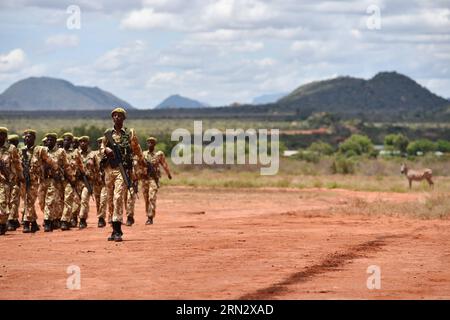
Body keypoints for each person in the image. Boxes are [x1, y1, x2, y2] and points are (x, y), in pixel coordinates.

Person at [100, 107, 144, 242]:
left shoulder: (129, 134)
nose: (117, 118)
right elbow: (101, 149)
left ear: (124, 119)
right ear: (112, 118)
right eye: (115, 116)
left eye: (120, 116)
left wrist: (142, 163)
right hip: (109, 170)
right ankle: (113, 229)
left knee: (118, 196)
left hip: (122, 169)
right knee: (110, 199)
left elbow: (137, 149)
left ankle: (118, 229)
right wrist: (105, 149)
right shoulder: (107, 134)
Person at [20, 129, 58, 233]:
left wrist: (55, 171)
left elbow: (50, 161)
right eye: (26, 137)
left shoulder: (39, 150)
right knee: (30, 202)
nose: (27, 139)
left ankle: (34, 222)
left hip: (38, 181)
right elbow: (19, 166)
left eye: (30, 137)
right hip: (26, 181)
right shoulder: (22, 151)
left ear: (34, 138)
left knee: (36, 201)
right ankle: (34, 223)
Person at [142, 137, 172, 225]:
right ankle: (148, 214)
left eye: (152, 142)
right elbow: (138, 165)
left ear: (155, 144)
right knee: (146, 199)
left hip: (153, 179)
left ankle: (150, 217)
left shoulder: (159, 155)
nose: (150, 144)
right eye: (148, 142)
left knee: (152, 197)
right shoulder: (143, 154)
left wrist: (168, 174)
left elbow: (164, 164)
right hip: (144, 179)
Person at [0, 128, 23, 235]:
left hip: (6, 181)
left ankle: (3, 224)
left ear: (5, 137)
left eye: (1, 135)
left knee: (3, 203)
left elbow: (17, 164)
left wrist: (20, 178)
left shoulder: (11, 148)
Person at [60, 132, 85, 231]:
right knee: (58, 201)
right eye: (65, 140)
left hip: (71, 180)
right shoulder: (59, 152)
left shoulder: (75, 152)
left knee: (68, 200)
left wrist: (82, 174)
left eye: (68, 140)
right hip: (59, 180)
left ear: (71, 142)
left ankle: (65, 221)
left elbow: (80, 165)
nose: (66, 142)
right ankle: (57, 219)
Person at [78, 136, 96, 229]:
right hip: (77, 181)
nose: (82, 144)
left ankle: (82, 219)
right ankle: (73, 218)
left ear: (88, 143)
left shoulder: (93, 155)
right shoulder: (77, 154)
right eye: (80, 142)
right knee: (76, 202)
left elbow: (97, 168)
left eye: (84, 142)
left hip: (88, 181)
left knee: (84, 199)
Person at [6, 134, 21, 231]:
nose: (12, 144)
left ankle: (12, 220)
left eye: (14, 142)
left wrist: (20, 177)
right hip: (6, 180)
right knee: (6, 200)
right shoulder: (5, 151)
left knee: (14, 201)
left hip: (15, 180)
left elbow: (19, 166)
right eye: (10, 142)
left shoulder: (17, 152)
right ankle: (10, 220)